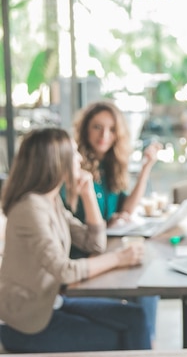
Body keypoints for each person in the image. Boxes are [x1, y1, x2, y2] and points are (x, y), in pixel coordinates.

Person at [0, 128, 150, 353]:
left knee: (135, 317)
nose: (80, 158)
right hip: (26, 324)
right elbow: (66, 271)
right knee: (122, 337)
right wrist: (119, 258)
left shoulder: (50, 200)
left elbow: (94, 244)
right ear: (55, 160)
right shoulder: (30, 208)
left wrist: (88, 195)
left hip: (51, 304)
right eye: (73, 152)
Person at [61, 100, 160, 343]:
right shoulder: (74, 168)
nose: (105, 135)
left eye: (111, 129)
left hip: (106, 248)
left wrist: (147, 167)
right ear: (85, 129)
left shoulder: (110, 165)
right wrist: (106, 226)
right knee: (142, 283)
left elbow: (126, 207)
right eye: (97, 127)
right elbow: (73, 224)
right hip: (83, 256)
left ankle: (145, 340)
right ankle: (142, 340)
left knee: (148, 284)